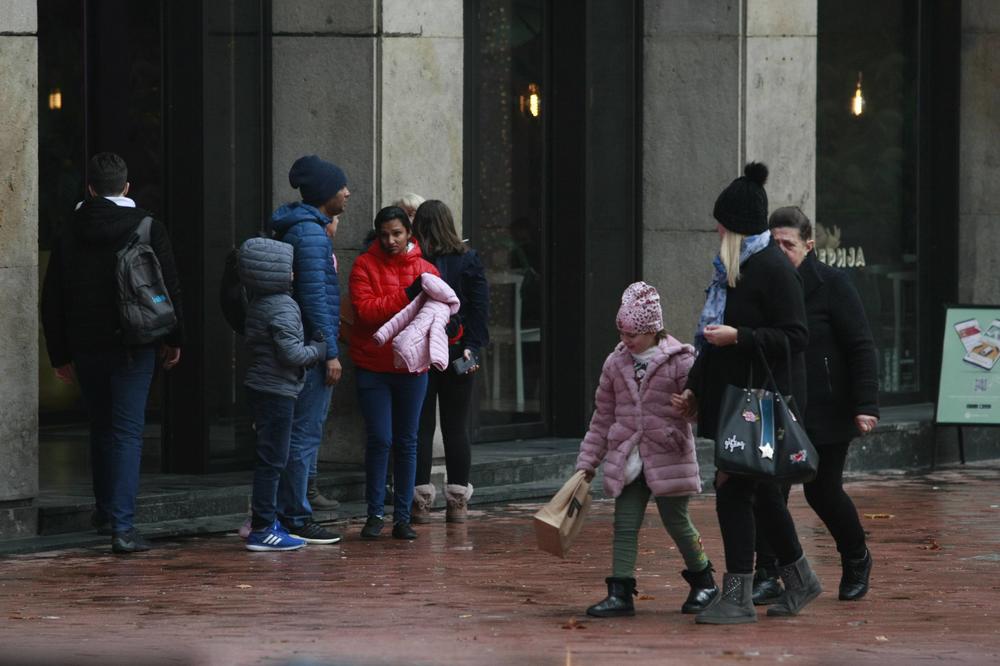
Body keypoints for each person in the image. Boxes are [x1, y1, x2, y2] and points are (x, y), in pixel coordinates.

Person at [672, 162, 820, 624]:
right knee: (761, 496)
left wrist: (742, 337)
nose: (716, 229)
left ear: (735, 225)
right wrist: (696, 388)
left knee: (735, 492)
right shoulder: (732, 270)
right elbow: (710, 341)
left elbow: (795, 337)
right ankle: (799, 578)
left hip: (762, 408)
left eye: (721, 222)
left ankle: (738, 592)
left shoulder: (772, 269)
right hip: (736, 403)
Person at [41, 152, 184, 554]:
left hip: (86, 347)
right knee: (125, 432)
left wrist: (59, 353)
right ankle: (123, 527)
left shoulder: (69, 228)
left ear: (89, 188)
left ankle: (106, 511)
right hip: (133, 344)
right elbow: (169, 287)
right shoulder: (147, 226)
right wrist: (175, 337)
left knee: (101, 427)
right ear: (126, 187)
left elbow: (52, 297)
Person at [750, 206, 879, 601]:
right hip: (777, 403)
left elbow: (860, 346)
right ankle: (769, 573)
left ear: (809, 245)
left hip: (826, 407)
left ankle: (856, 557)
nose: (781, 251)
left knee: (821, 491)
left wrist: (866, 403)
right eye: (774, 244)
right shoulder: (764, 283)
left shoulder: (832, 284)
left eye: (788, 244)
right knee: (770, 492)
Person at [576, 282, 719, 617]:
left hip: (668, 454)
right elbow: (602, 417)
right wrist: (588, 461)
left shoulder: (681, 361)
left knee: (677, 521)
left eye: (633, 334)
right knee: (624, 524)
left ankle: (704, 581)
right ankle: (620, 592)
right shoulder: (616, 363)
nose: (626, 340)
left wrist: (690, 407)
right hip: (628, 456)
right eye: (621, 332)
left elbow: (701, 407)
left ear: (653, 330)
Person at [267, 155, 349, 545]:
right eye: (340, 187)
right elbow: (316, 300)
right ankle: (296, 515)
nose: (347, 193)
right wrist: (329, 352)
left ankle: (293, 511)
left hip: (304, 347)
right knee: (303, 434)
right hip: (313, 352)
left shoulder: (304, 229)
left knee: (297, 434)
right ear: (324, 193)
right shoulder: (311, 235)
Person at [349, 206, 440, 540]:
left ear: (409, 233)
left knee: (407, 441)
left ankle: (402, 517)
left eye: (397, 233)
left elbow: (437, 316)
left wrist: (454, 330)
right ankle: (374, 513)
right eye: (384, 234)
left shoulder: (427, 269)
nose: (390, 240)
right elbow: (366, 312)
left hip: (412, 369)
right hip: (373, 366)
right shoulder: (363, 265)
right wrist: (407, 294)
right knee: (380, 439)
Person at [238, 237, 329, 551]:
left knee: (270, 456)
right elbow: (291, 353)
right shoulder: (283, 306)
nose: (294, 274)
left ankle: (265, 522)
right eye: (289, 269)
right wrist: (317, 349)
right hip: (277, 389)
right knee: (273, 459)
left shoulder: (259, 301)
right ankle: (263, 528)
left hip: (262, 385)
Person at [410, 200, 490, 523]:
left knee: (421, 427)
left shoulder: (415, 261)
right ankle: (458, 502)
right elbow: (480, 309)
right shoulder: (468, 260)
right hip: (458, 351)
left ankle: (419, 501)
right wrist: (473, 345)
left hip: (422, 352)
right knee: (457, 427)